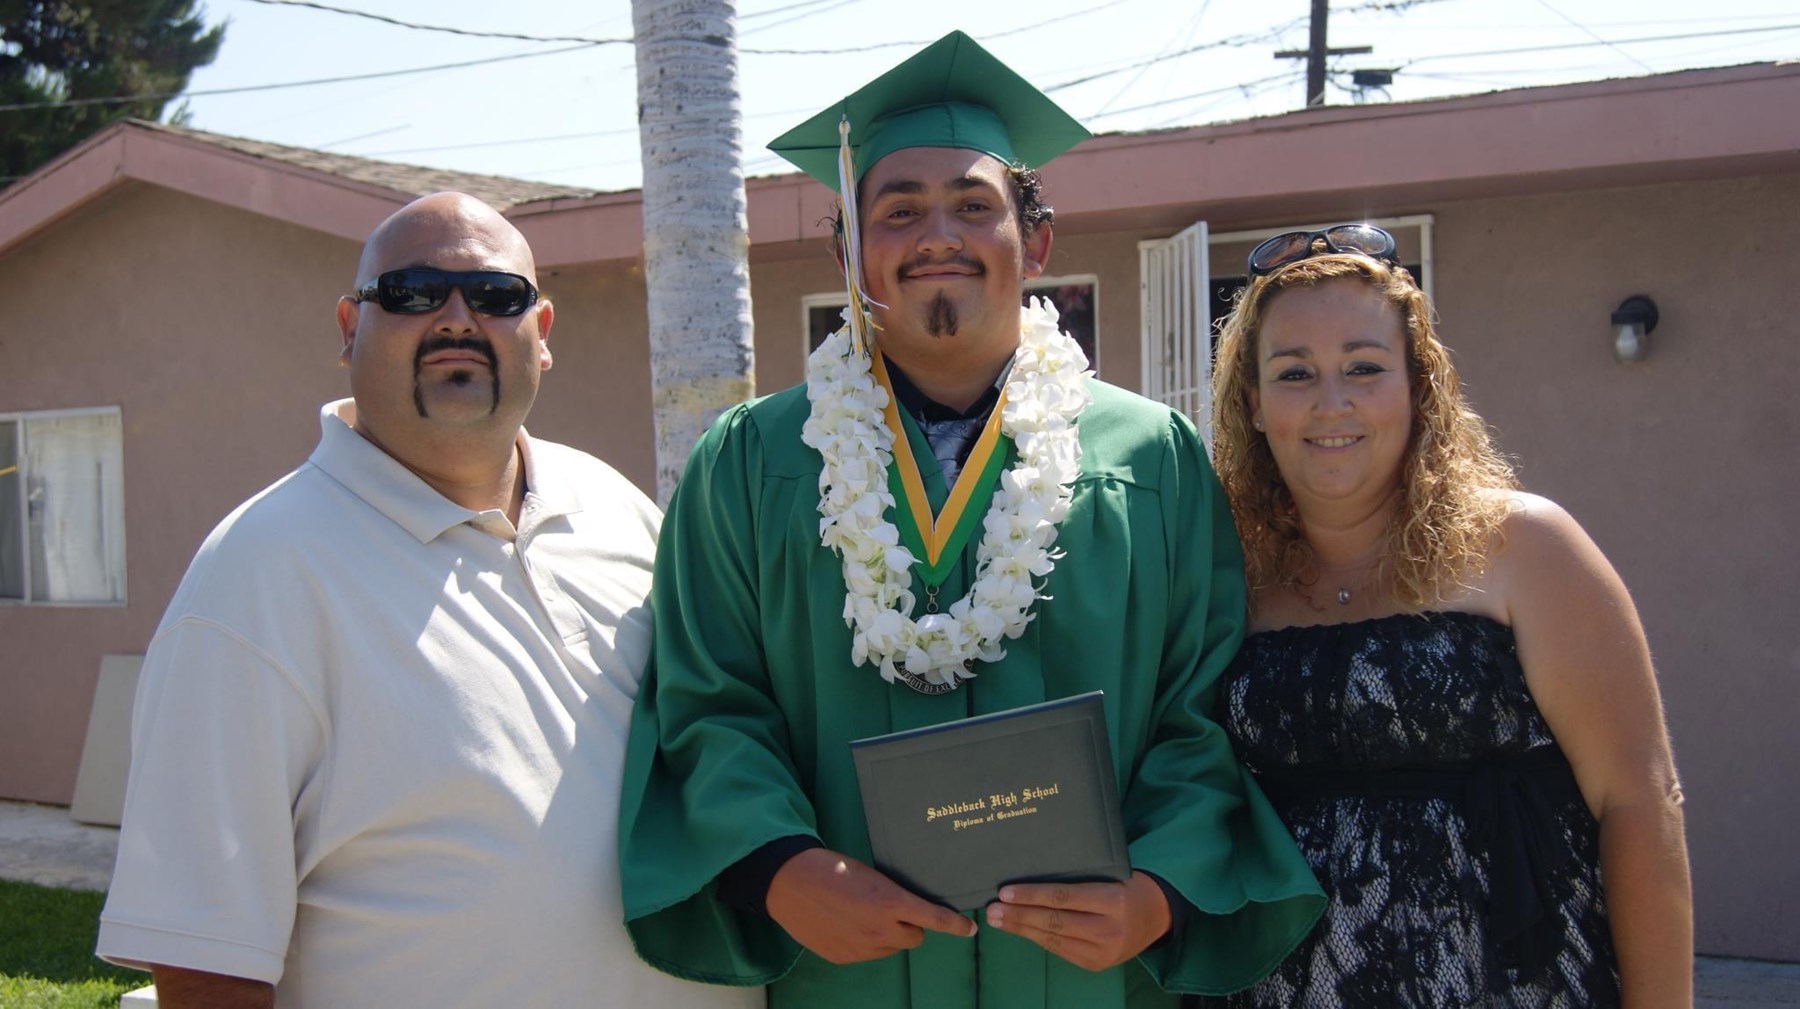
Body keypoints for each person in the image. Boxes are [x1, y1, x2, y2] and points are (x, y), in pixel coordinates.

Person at [618, 31, 1325, 1009]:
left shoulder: (1150, 460)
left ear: (1034, 240)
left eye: (973, 205)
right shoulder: (748, 466)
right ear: (848, 247)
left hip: (1089, 977)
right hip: (848, 977)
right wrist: (780, 871)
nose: (936, 235)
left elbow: (1200, 710)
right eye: (898, 209)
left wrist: (1159, 893)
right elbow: (709, 706)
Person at [96, 193, 759, 1009]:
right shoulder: (254, 579)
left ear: (541, 334)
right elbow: (205, 963)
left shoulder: (618, 509)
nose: (455, 318)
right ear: (349, 327)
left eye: (494, 295)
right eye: (411, 292)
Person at [1196, 224, 1693, 1007]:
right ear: (1253, 405)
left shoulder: (1526, 548)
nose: (1333, 401)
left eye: (1365, 366)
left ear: (1420, 384)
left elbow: (1639, 801)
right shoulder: (1224, 577)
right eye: (1295, 373)